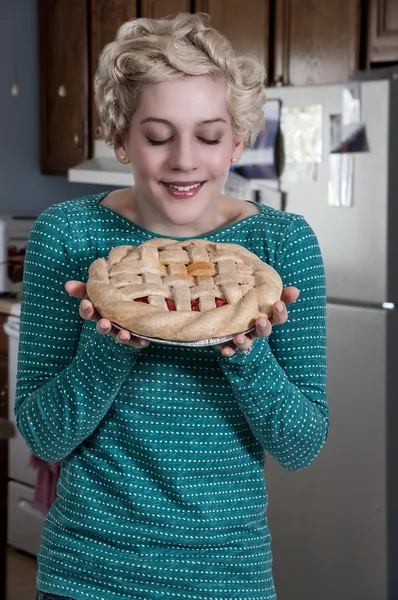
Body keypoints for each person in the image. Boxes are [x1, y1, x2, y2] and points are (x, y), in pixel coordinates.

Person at [15, 12, 328, 600]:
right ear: (120, 140)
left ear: (237, 139)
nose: (185, 160)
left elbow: (302, 444)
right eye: (158, 137)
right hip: (87, 573)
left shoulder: (282, 246)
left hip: (227, 575)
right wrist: (107, 350)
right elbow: (42, 437)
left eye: (209, 136)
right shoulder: (71, 236)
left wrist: (248, 354)